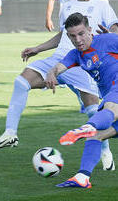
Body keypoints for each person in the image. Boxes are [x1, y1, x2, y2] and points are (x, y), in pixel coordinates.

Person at [0, 0, 118, 170]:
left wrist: (108, 36)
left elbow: (113, 30)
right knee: (22, 81)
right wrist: (38, 48)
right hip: (59, 58)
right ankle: (10, 133)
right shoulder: (67, 6)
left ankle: (104, 148)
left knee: (94, 108)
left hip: (81, 63)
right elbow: (63, 35)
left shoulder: (102, 5)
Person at [45, 12, 118, 188]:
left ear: (90, 30)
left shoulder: (109, 40)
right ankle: (82, 177)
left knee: (110, 107)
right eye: (72, 36)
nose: (77, 39)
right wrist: (51, 73)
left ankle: (87, 127)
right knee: (96, 137)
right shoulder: (75, 55)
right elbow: (58, 67)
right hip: (110, 96)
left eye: (81, 34)